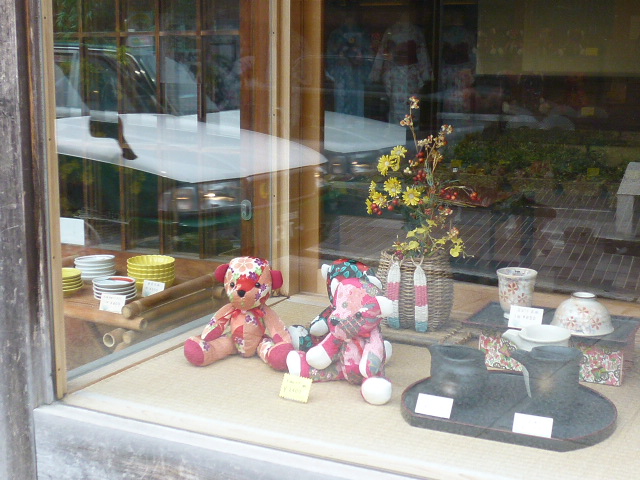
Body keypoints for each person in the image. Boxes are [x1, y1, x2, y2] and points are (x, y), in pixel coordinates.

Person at [370, 11, 432, 124]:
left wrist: (425, 74)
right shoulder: (391, 31)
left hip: (411, 72)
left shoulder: (416, 32)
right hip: (395, 72)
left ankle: (412, 129)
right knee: (396, 104)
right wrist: (377, 72)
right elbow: (383, 52)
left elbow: (422, 53)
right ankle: (397, 127)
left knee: (412, 103)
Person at [326, 11, 372, 117]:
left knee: (357, 106)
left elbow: (369, 56)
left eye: (352, 16)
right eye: (348, 16)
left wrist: (360, 59)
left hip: (358, 75)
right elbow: (330, 57)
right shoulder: (336, 35)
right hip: (341, 75)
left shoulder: (363, 34)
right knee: (341, 107)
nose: (350, 19)